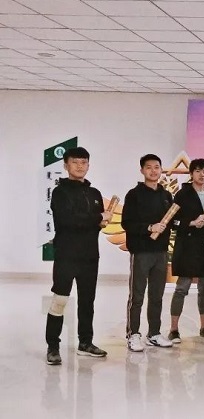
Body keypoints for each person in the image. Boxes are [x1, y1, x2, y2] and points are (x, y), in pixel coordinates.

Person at [45, 147, 111, 365]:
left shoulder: (94, 194)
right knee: (60, 300)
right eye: (75, 162)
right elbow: (67, 221)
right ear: (66, 165)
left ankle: (85, 343)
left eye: (83, 162)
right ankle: (53, 347)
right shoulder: (60, 192)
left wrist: (101, 221)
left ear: (88, 165)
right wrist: (98, 218)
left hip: (90, 256)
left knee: (87, 301)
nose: (80, 166)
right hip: (66, 254)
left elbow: (95, 225)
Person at [121, 154, 174, 352]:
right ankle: (133, 334)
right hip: (141, 251)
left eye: (157, 167)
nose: (153, 171)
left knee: (157, 295)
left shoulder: (166, 195)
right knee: (137, 295)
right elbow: (127, 223)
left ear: (161, 170)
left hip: (161, 252)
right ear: (142, 170)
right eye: (149, 167)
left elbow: (171, 222)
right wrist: (150, 227)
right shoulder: (134, 195)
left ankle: (154, 333)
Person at [169, 158, 204, 343]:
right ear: (191, 174)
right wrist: (191, 222)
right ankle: (174, 329)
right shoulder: (182, 194)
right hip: (188, 248)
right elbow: (173, 221)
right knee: (181, 288)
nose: (202, 175)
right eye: (198, 171)